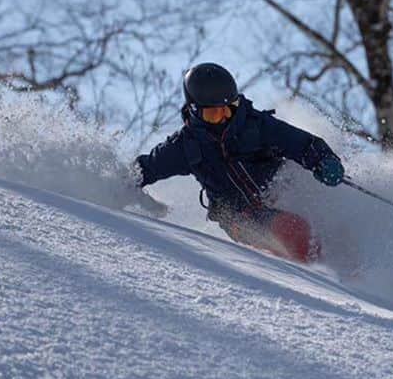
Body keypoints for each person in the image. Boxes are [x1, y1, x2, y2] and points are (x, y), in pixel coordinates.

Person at [133, 62, 345, 262]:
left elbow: (300, 143)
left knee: (328, 230)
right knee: (291, 230)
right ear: (194, 110)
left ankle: (349, 272)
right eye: (214, 114)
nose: (225, 118)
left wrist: (324, 160)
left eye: (229, 109)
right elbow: (145, 169)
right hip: (239, 217)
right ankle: (313, 281)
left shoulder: (255, 124)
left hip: (279, 192)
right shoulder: (183, 147)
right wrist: (113, 186)